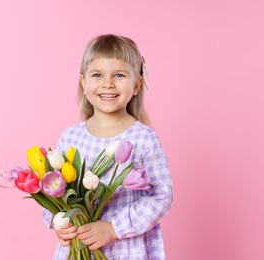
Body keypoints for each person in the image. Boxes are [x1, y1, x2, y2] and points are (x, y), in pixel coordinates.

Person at [43, 34, 173, 260]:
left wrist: (113, 228)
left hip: (126, 249)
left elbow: (161, 195)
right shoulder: (70, 137)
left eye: (119, 75)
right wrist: (58, 223)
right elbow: (53, 190)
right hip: (78, 248)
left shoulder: (144, 139)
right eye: (97, 75)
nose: (108, 83)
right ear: (84, 83)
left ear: (136, 85)